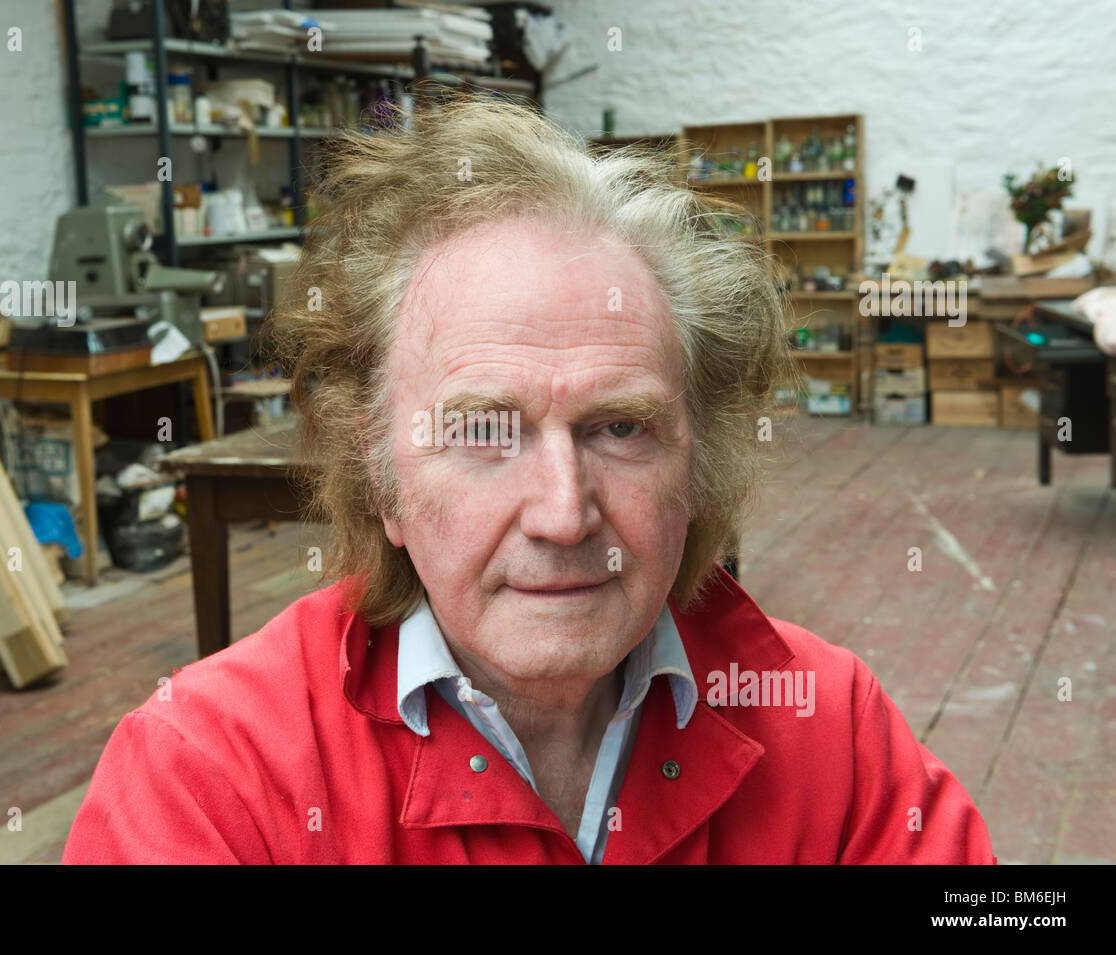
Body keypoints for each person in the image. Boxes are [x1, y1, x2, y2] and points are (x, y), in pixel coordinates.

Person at [63, 94, 996, 864]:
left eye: (621, 426)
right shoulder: (211, 780)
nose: (562, 513)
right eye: (482, 432)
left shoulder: (830, 731)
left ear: (702, 460)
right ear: (380, 476)